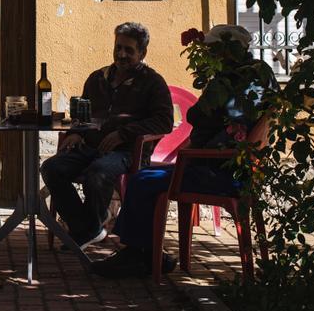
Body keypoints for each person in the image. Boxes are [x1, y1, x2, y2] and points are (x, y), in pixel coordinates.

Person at [91, 24, 276, 277]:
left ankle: (136, 254)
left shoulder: (229, 81)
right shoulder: (261, 73)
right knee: (148, 178)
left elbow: (202, 118)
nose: (208, 52)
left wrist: (190, 154)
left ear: (226, 50)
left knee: (142, 180)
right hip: (239, 170)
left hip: (217, 171)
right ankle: (149, 254)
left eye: (212, 48)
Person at [40, 22, 174, 248]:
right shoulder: (97, 79)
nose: (121, 54)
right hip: (90, 146)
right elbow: (81, 113)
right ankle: (88, 228)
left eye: (129, 50)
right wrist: (75, 132)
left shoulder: (153, 82)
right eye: (118, 47)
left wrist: (124, 134)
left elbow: (164, 121)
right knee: (51, 168)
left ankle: (86, 229)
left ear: (142, 53)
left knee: (98, 172)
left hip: (127, 151)